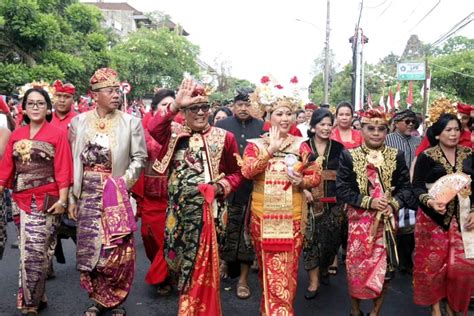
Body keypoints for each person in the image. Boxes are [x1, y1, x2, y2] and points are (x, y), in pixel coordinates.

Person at [148, 78, 243, 315]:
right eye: (194, 108)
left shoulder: (225, 138)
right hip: (179, 215)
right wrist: (175, 105)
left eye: (205, 107)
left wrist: (220, 187)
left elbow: (237, 172)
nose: (201, 112)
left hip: (210, 215)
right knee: (181, 266)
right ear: (185, 111)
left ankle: (197, 311)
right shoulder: (174, 134)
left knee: (204, 266)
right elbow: (153, 128)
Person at [69, 68, 147, 316]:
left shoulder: (131, 122)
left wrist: (122, 184)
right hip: (87, 193)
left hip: (115, 193)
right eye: (110, 91)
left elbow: (139, 158)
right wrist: (72, 197)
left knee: (115, 250)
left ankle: (114, 299)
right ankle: (97, 298)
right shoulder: (78, 122)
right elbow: (73, 161)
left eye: (118, 90)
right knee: (90, 249)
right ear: (95, 95)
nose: (116, 95)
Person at [241, 86, 321, 315]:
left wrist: (301, 182)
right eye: (279, 113)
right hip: (262, 219)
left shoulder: (301, 145)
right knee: (267, 272)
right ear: (267, 116)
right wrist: (270, 150)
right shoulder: (256, 145)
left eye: (289, 113)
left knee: (287, 273)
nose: (285, 118)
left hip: (293, 219)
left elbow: (315, 176)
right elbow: (247, 172)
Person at [0, 87, 72, 316]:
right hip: (21, 201)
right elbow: (6, 170)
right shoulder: (17, 135)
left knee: (38, 251)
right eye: (30, 103)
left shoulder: (57, 134)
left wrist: (62, 199)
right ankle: (35, 298)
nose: (35, 107)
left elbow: (63, 169)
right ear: (23, 108)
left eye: (40, 103)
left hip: (48, 201)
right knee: (28, 251)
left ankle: (31, 300)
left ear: (48, 107)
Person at [336, 109, 415, 316]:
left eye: (381, 129)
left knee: (385, 270)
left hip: (387, 224)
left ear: (387, 131)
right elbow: (343, 189)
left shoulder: (395, 155)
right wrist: (370, 202)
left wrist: (393, 204)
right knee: (356, 268)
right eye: (370, 128)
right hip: (359, 223)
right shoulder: (349, 155)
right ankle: (355, 311)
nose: (376, 133)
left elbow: (406, 188)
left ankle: (375, 312)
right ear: (361, 129)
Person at [412, 113, 473, 316]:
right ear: (438, 134)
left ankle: (455, 305)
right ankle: (436, 307)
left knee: (461, 270)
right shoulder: (427, 157)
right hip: (432, 220)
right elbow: (417, 187)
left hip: (464, 220)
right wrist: (430, 201)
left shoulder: (470, 154)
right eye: (448, 130)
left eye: (456, 129)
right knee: (433, 267)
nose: (454, 133)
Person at [215, 88, 264, 299]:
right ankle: (224, 262)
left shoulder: (262, 128)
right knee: (225, 229)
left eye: (247, 104)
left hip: (253, 189)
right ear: (233, 106)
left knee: (247, 236)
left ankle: (243, 279)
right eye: (239, 104)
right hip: (226, 187)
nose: (243, 108)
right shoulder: (221, 126)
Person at [132, 88, 176, 296]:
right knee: (149, 237)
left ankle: (163, 277)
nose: (168, 109)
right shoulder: (142, 128)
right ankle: (164, 270)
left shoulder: (180, 128)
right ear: (155, 108)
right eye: (164, 105)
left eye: (171, 105)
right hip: (150, 192)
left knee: (169, 237)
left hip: (173, 193)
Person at [302, 109, 345, 300]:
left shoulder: (339, 148)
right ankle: (313, 282)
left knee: (331, 242)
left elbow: (346, 176)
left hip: (334, 203)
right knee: (310, 241)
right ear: (313, 127)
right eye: (322, 124)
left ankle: (325, 268)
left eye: (329, 124)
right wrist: (303, 189)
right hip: (308, 201)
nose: (326, 128)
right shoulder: (303, 147)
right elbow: (294, 172)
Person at [385, 109, 421, 275]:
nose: (411, 124)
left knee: (409, 227)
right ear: (396, 123)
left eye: (413, 121)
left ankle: (406, 262)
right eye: (407, 121)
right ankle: (390, 260)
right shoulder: (387, 140)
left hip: (413, 189)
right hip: (392, 188)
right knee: (391, 225)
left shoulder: (418, 140)